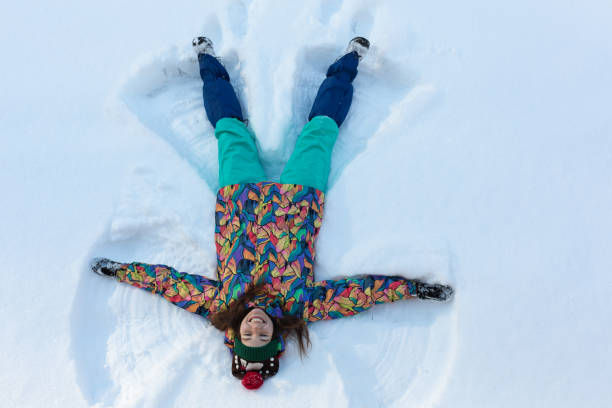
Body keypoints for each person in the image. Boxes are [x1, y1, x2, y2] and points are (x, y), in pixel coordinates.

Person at [91, 37, 453, 390]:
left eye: (248, 333)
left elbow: (169, 284)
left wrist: (123, 271)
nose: (256, 327)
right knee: (320, 133)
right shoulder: (302, 305)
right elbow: (360, 293)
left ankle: (207, 61)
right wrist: (413, 289)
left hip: (240, 198)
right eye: (262, 335)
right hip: (299, 200)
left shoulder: (220, 303)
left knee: (230, 133)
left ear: (235, 333)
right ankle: (348, 62)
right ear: (275, 337)